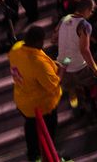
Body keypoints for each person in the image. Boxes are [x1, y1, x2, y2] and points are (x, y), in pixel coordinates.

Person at [8, 25, 62, 162]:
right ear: (38, 42)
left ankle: (33, 155)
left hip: (22, 100)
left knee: (31, 127)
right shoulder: (38, 63)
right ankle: (46, 155)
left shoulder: (16, 49)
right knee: (47, 132)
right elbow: (52, 85)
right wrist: (63, 69)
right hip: (42, 105)